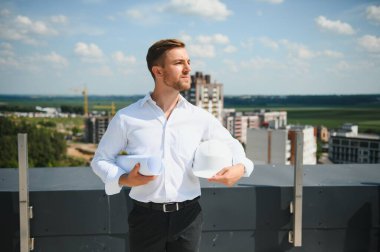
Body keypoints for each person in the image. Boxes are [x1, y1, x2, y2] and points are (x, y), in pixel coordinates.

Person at [91, 38, 253, 252]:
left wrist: (240, 168)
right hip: (145, 219)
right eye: (179, 63)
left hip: (189, 218)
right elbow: (100, 160)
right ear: (158, 71)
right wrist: (123, 178)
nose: (188, 69)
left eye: (188, 62)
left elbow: (232, 144)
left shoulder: (199, 117)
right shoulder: (127, 118)